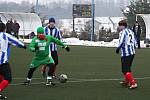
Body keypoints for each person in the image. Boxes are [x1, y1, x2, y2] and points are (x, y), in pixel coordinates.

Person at [0, 23, 26, 99]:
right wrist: (23, 46)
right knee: (8, 78)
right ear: (4, 29)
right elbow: (16, 41)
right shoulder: (5, 35)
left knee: (1, 77)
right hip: (2, 63)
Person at [116, 20, 137, 89]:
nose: (119, 27)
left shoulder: (123, 32)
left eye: (119, 25)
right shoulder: (131, 31)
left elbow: (121, 41)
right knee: (128, 67)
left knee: (125, 69)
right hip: (132, 53)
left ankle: (133, 82)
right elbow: (135, 42)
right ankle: (127, 81)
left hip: (126, 53)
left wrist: (118, 48)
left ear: (122, 26)